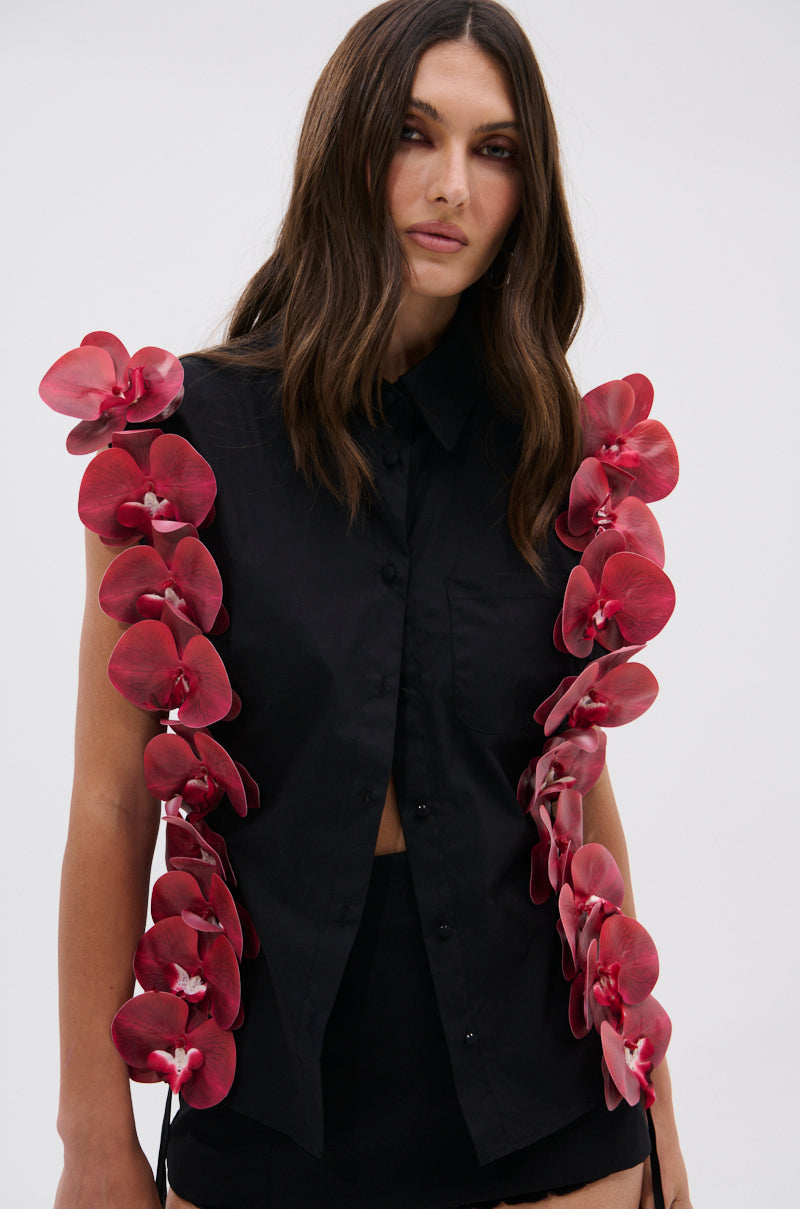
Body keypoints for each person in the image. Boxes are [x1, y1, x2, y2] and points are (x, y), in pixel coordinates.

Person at [53, 2, 692, 1207]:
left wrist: (658, 1118)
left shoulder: (554, 460)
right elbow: (104, 806)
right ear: (346, 146)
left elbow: (575, 794)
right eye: (415, 133)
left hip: (541, 1097)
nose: (452, 184)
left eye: (495, 150)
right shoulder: (178, 449)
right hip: (269, 1098)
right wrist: (93, 1137)